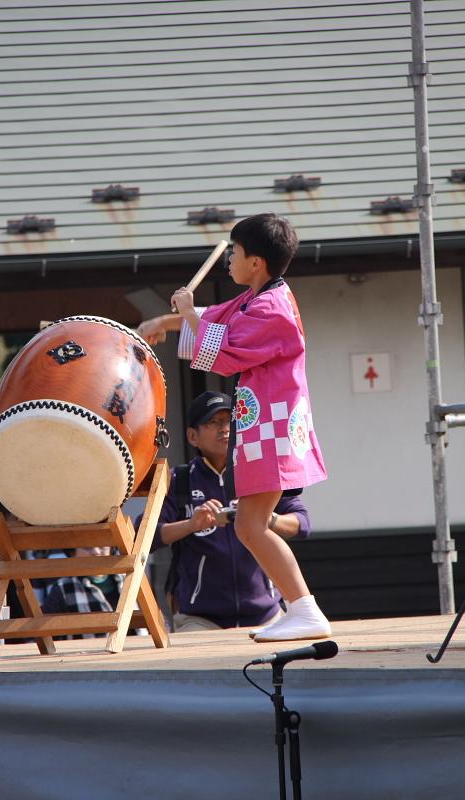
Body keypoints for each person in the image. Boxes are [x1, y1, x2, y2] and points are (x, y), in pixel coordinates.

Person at [138, 213, 331, 642]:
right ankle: (302, 608)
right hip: (263, 427)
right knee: (250, 524)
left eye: (236, 252)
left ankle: (305, 608)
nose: (229, 259)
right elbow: (217, 318)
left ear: (257, 262)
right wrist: (167, 321)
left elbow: (222, 353)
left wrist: (186, 314)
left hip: (272, 429)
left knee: (251, 525)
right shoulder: (258, 298)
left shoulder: (272, 308)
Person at [146, 390, 313, 633]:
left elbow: (303, 523)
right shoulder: (179, 480)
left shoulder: (260, 473)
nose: (225, 429)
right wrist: (191, 525)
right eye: (214, 422)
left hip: (268, 614)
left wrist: (267, 518)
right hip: (199, 620)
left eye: (230, 422)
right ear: (193, 436)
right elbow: (146, 536)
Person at [42, 545, 122, 639]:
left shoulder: (127, 580)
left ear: (111, 549)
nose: (96, 552)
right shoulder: (63, 589)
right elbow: (45, 634)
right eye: (87, 547)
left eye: (102, 545)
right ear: (72, 552)